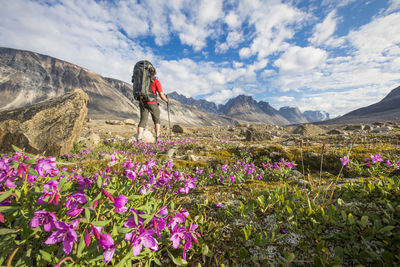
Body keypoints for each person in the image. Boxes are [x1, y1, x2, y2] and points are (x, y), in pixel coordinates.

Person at [136, 68, 169, 142]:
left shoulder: (142, 82)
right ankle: (157, 137)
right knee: (156, 120)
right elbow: (161, 95)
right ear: (155, 73)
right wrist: (166, 100)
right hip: (152, 103)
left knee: (142, 121)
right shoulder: (156, 81)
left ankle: (139, 139)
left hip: (142, 102)